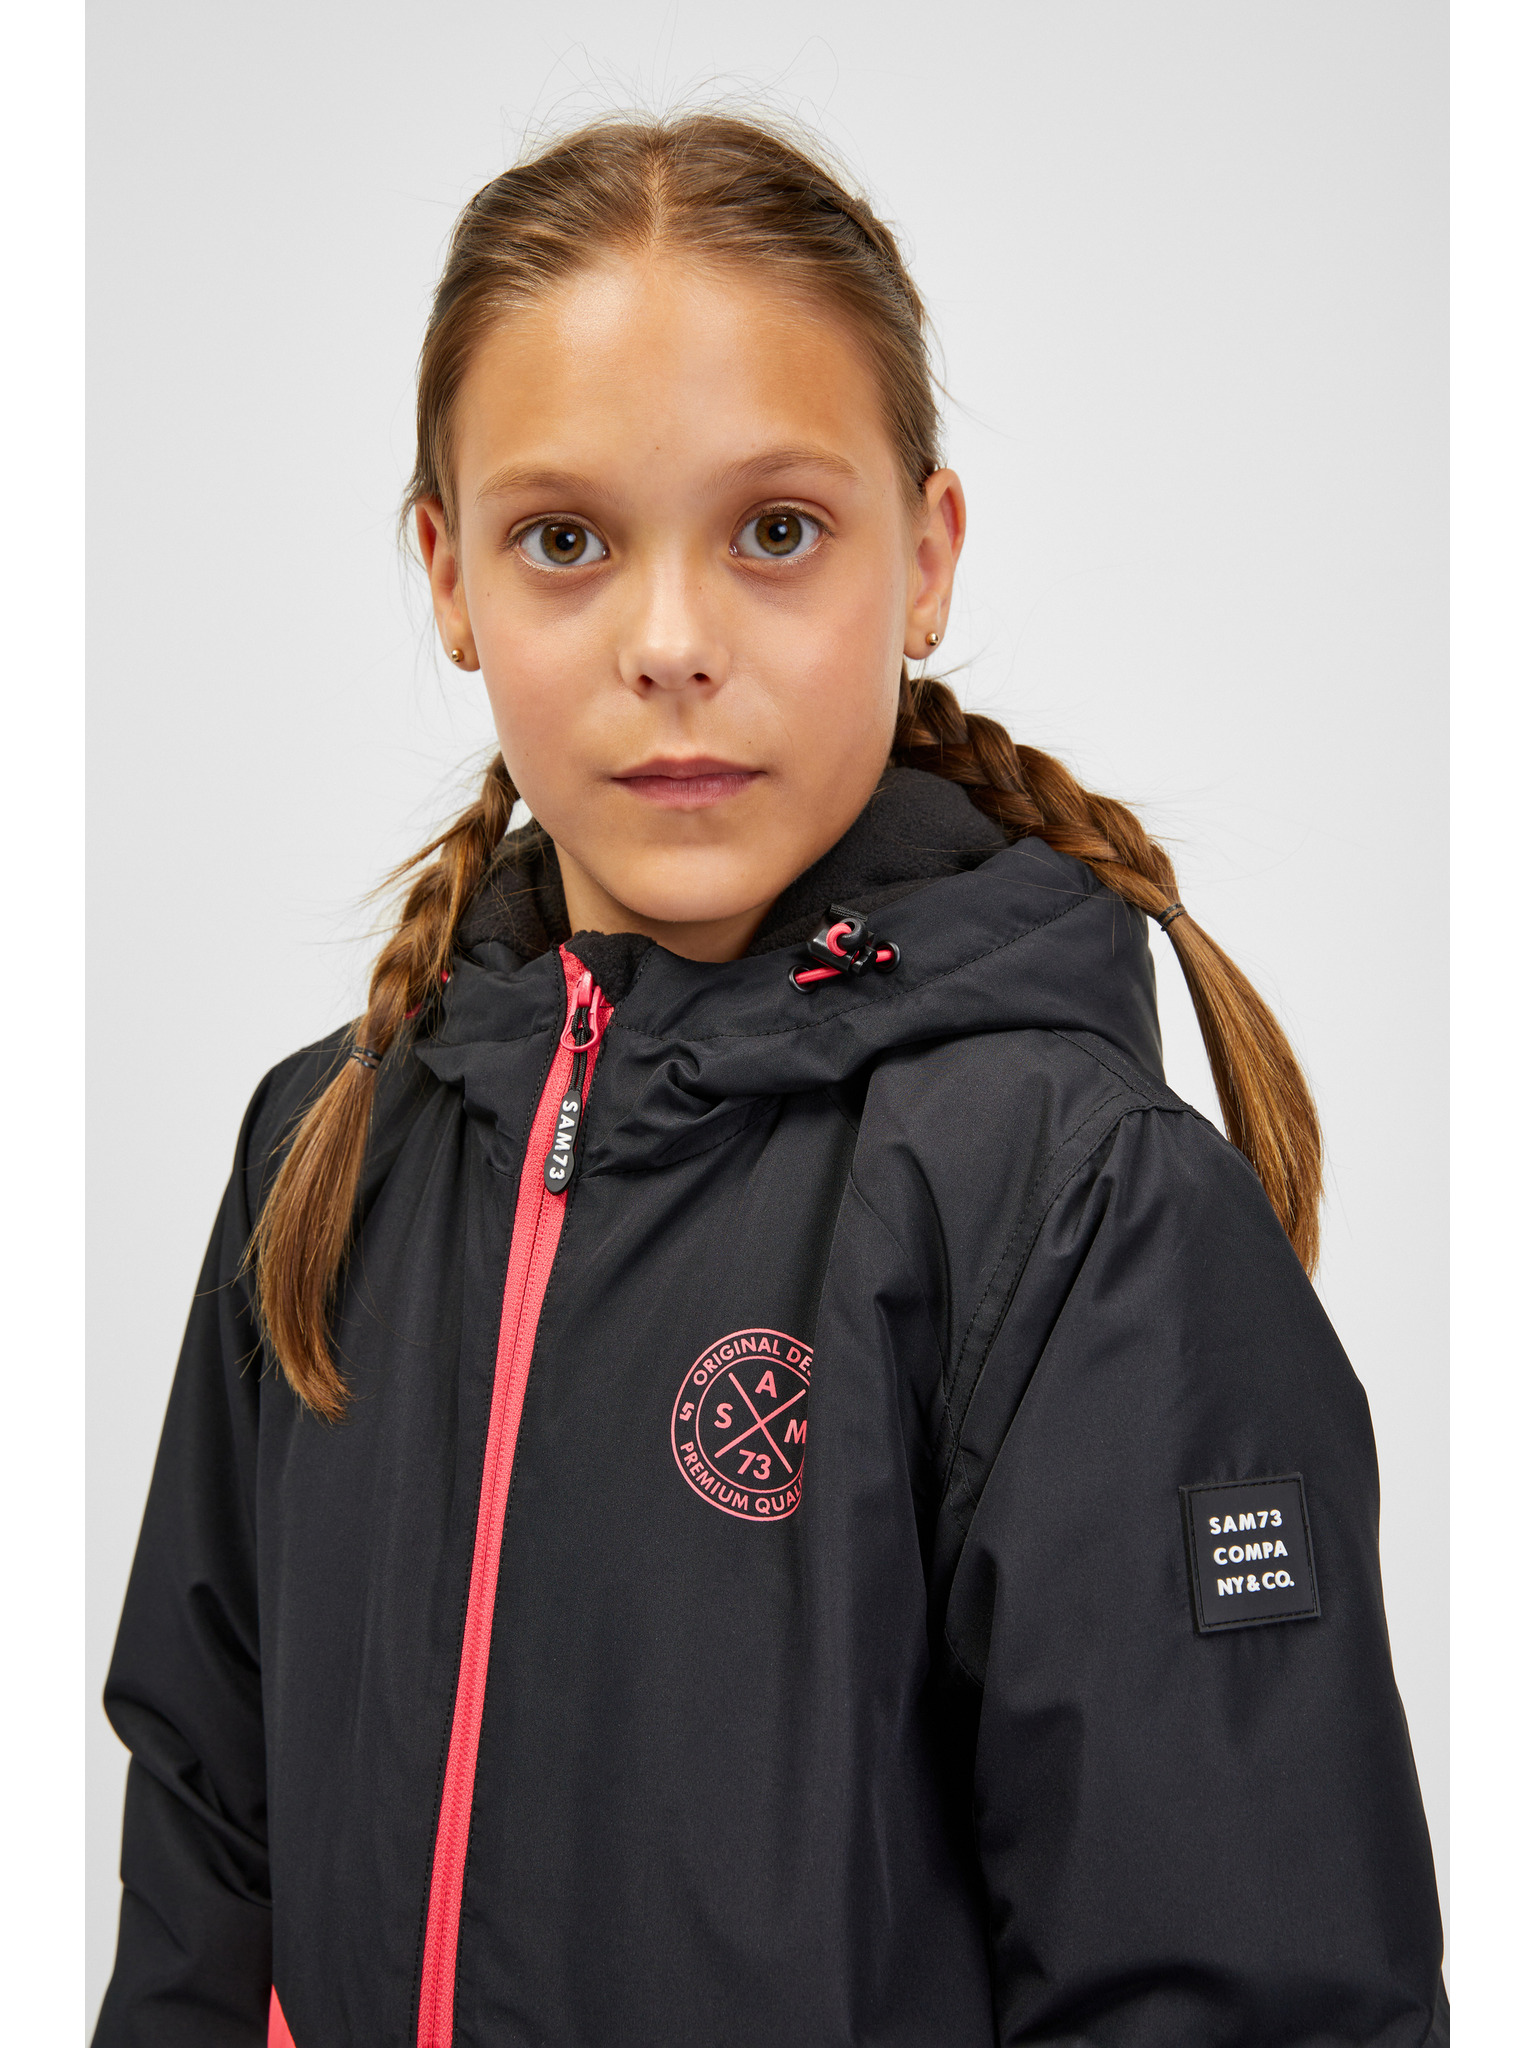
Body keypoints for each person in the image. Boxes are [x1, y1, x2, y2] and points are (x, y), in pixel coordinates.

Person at [94, 112, 1447, 2048]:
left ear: (927, 557)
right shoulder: (324, 1151)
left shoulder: (1075, 1202)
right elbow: (205, 1866)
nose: (672, 643)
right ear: (449, 574)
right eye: (566, 541)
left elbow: (1240, 1988)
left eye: (777, 532)